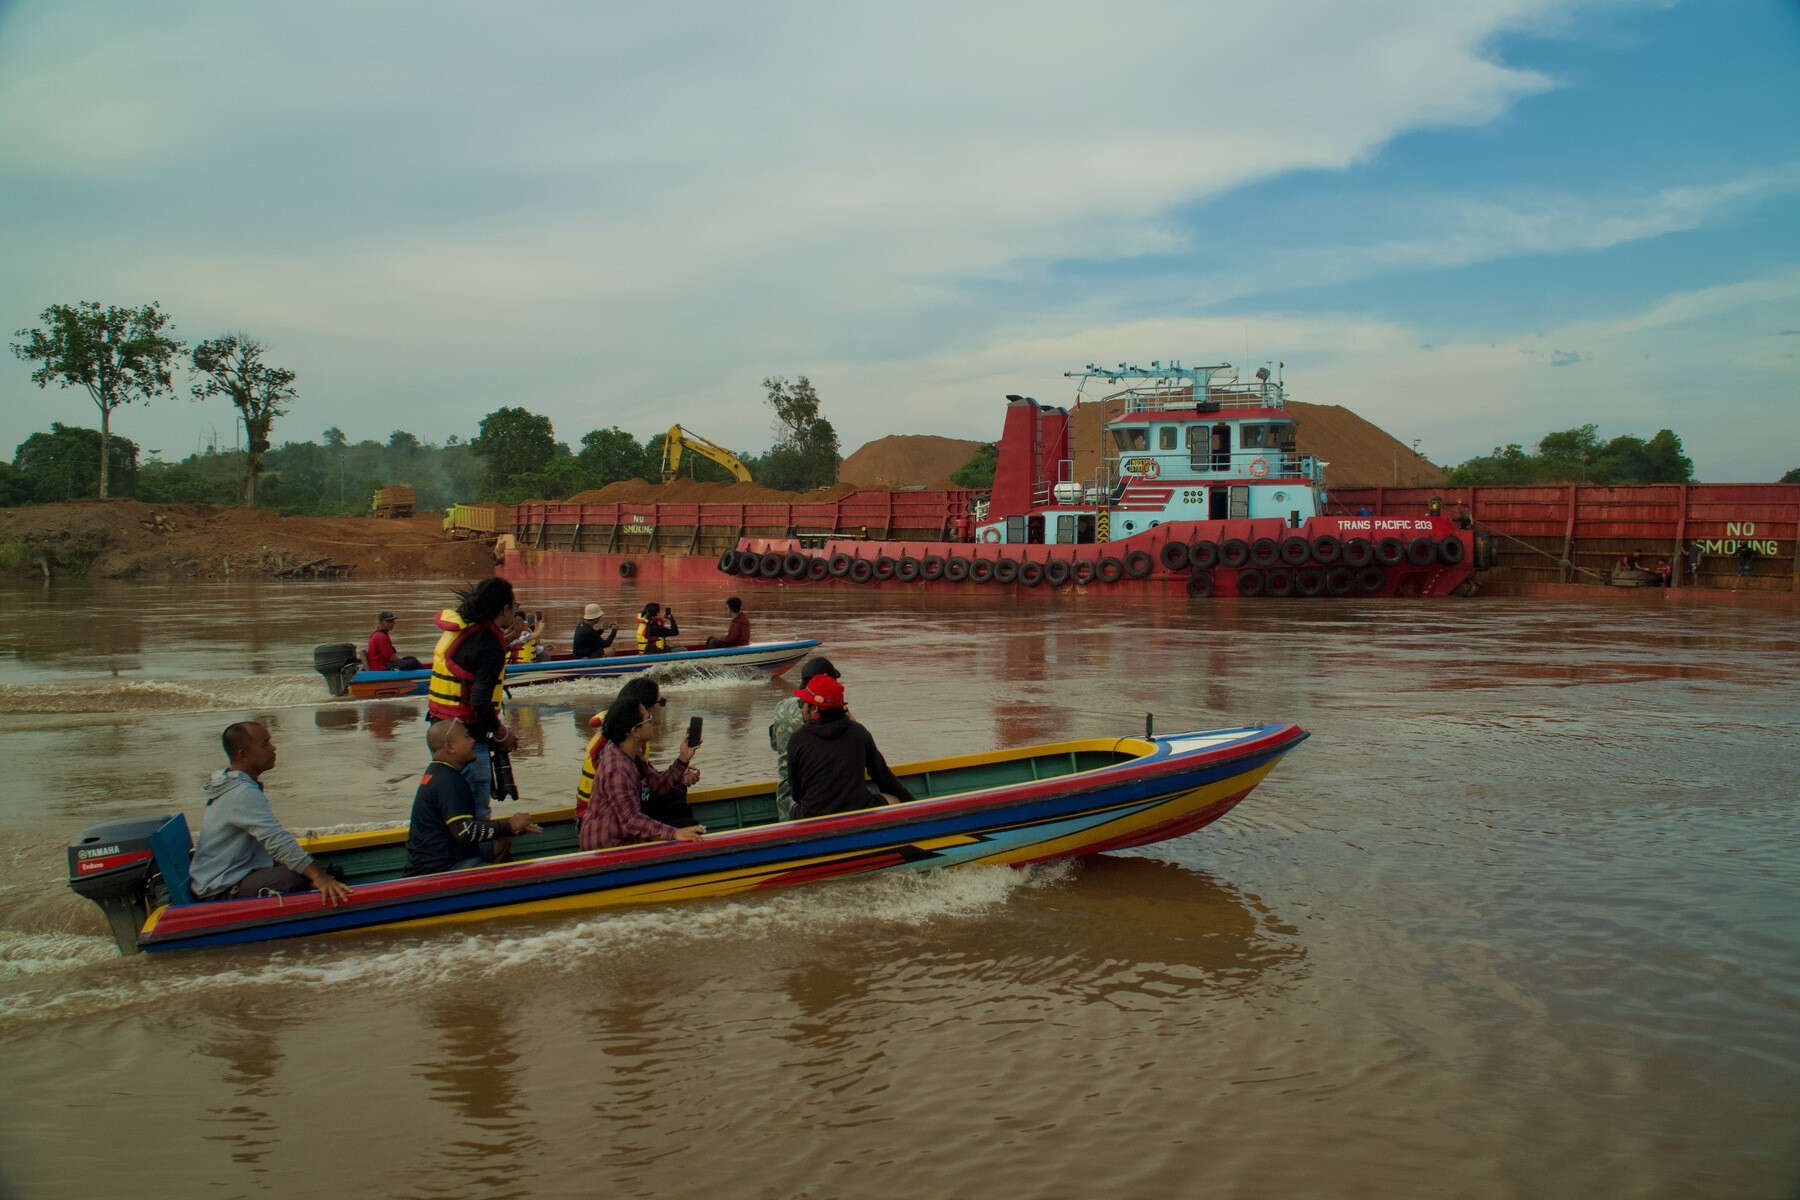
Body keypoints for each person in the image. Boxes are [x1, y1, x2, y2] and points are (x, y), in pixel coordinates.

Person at [188, 722, 353, 905]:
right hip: (221, 887)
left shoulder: (234, 782)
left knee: (308, 869)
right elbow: (276, 840)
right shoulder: (242, 793)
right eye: (265, 744)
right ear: (243, 754)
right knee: (296, 879)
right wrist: (320, 878)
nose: (273, 748)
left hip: (231, 871)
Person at [427, 577, 519, 861]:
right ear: (503, 609)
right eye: (513, 608)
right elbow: (480, 703)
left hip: (439, 731)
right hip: (466, 740)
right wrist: (502, 734)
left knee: (452, 807)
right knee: (478, 812)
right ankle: (477, 869)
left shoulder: (465, 628)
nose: (514, 613)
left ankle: (453, 859)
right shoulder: (489, 644)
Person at [404, 719, 540, 875]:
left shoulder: (439, 772)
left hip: (439, 860)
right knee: (511, 870)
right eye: (467, 737)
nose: (473, 741)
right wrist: (508, 826)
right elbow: (464, 832)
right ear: (450, 747)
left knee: (503, 840)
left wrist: (508, 829)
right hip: (440, 870)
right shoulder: (448, 781)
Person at [579, 697, 705, 850]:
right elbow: (630, 820)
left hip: (623, 834)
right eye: (648, 719)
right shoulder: (617, 767)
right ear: (635, 731)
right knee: (683, 830)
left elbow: (659, 786)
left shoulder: (632, 753)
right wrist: (674, 833)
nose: (654, 722)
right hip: (608, 845)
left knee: (678, 803)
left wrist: (683, 758)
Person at [785, 673, 914, 819]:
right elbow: (883, 777)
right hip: (858, 809)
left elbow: (796, 793)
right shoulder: (859, 732)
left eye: (803, 703)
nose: (802, 708)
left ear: (814, 709)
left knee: (791, 804)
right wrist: (913, 805)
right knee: (894, 800)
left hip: (812, 815)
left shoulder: (797, 739)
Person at [770, 655, 839, 820]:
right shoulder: (827, 715)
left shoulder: (782, 707)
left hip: (785, 799)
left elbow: (775, 745)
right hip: (818, 801)